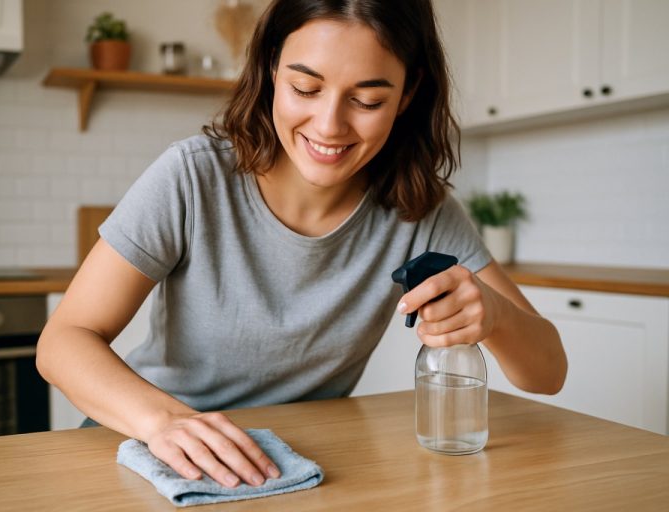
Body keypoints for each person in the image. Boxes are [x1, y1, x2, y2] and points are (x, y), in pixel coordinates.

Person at [37, 0, 567, 490]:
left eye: (367, 99)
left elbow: (547, 373)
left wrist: (493, 313)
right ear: (271, 69)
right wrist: (166, 421)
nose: (329, 125)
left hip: (291, 464)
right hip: (147, 443)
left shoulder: (420, 211)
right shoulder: (193, 177)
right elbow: (64, 340)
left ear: (407, 96)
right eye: (306, 89)